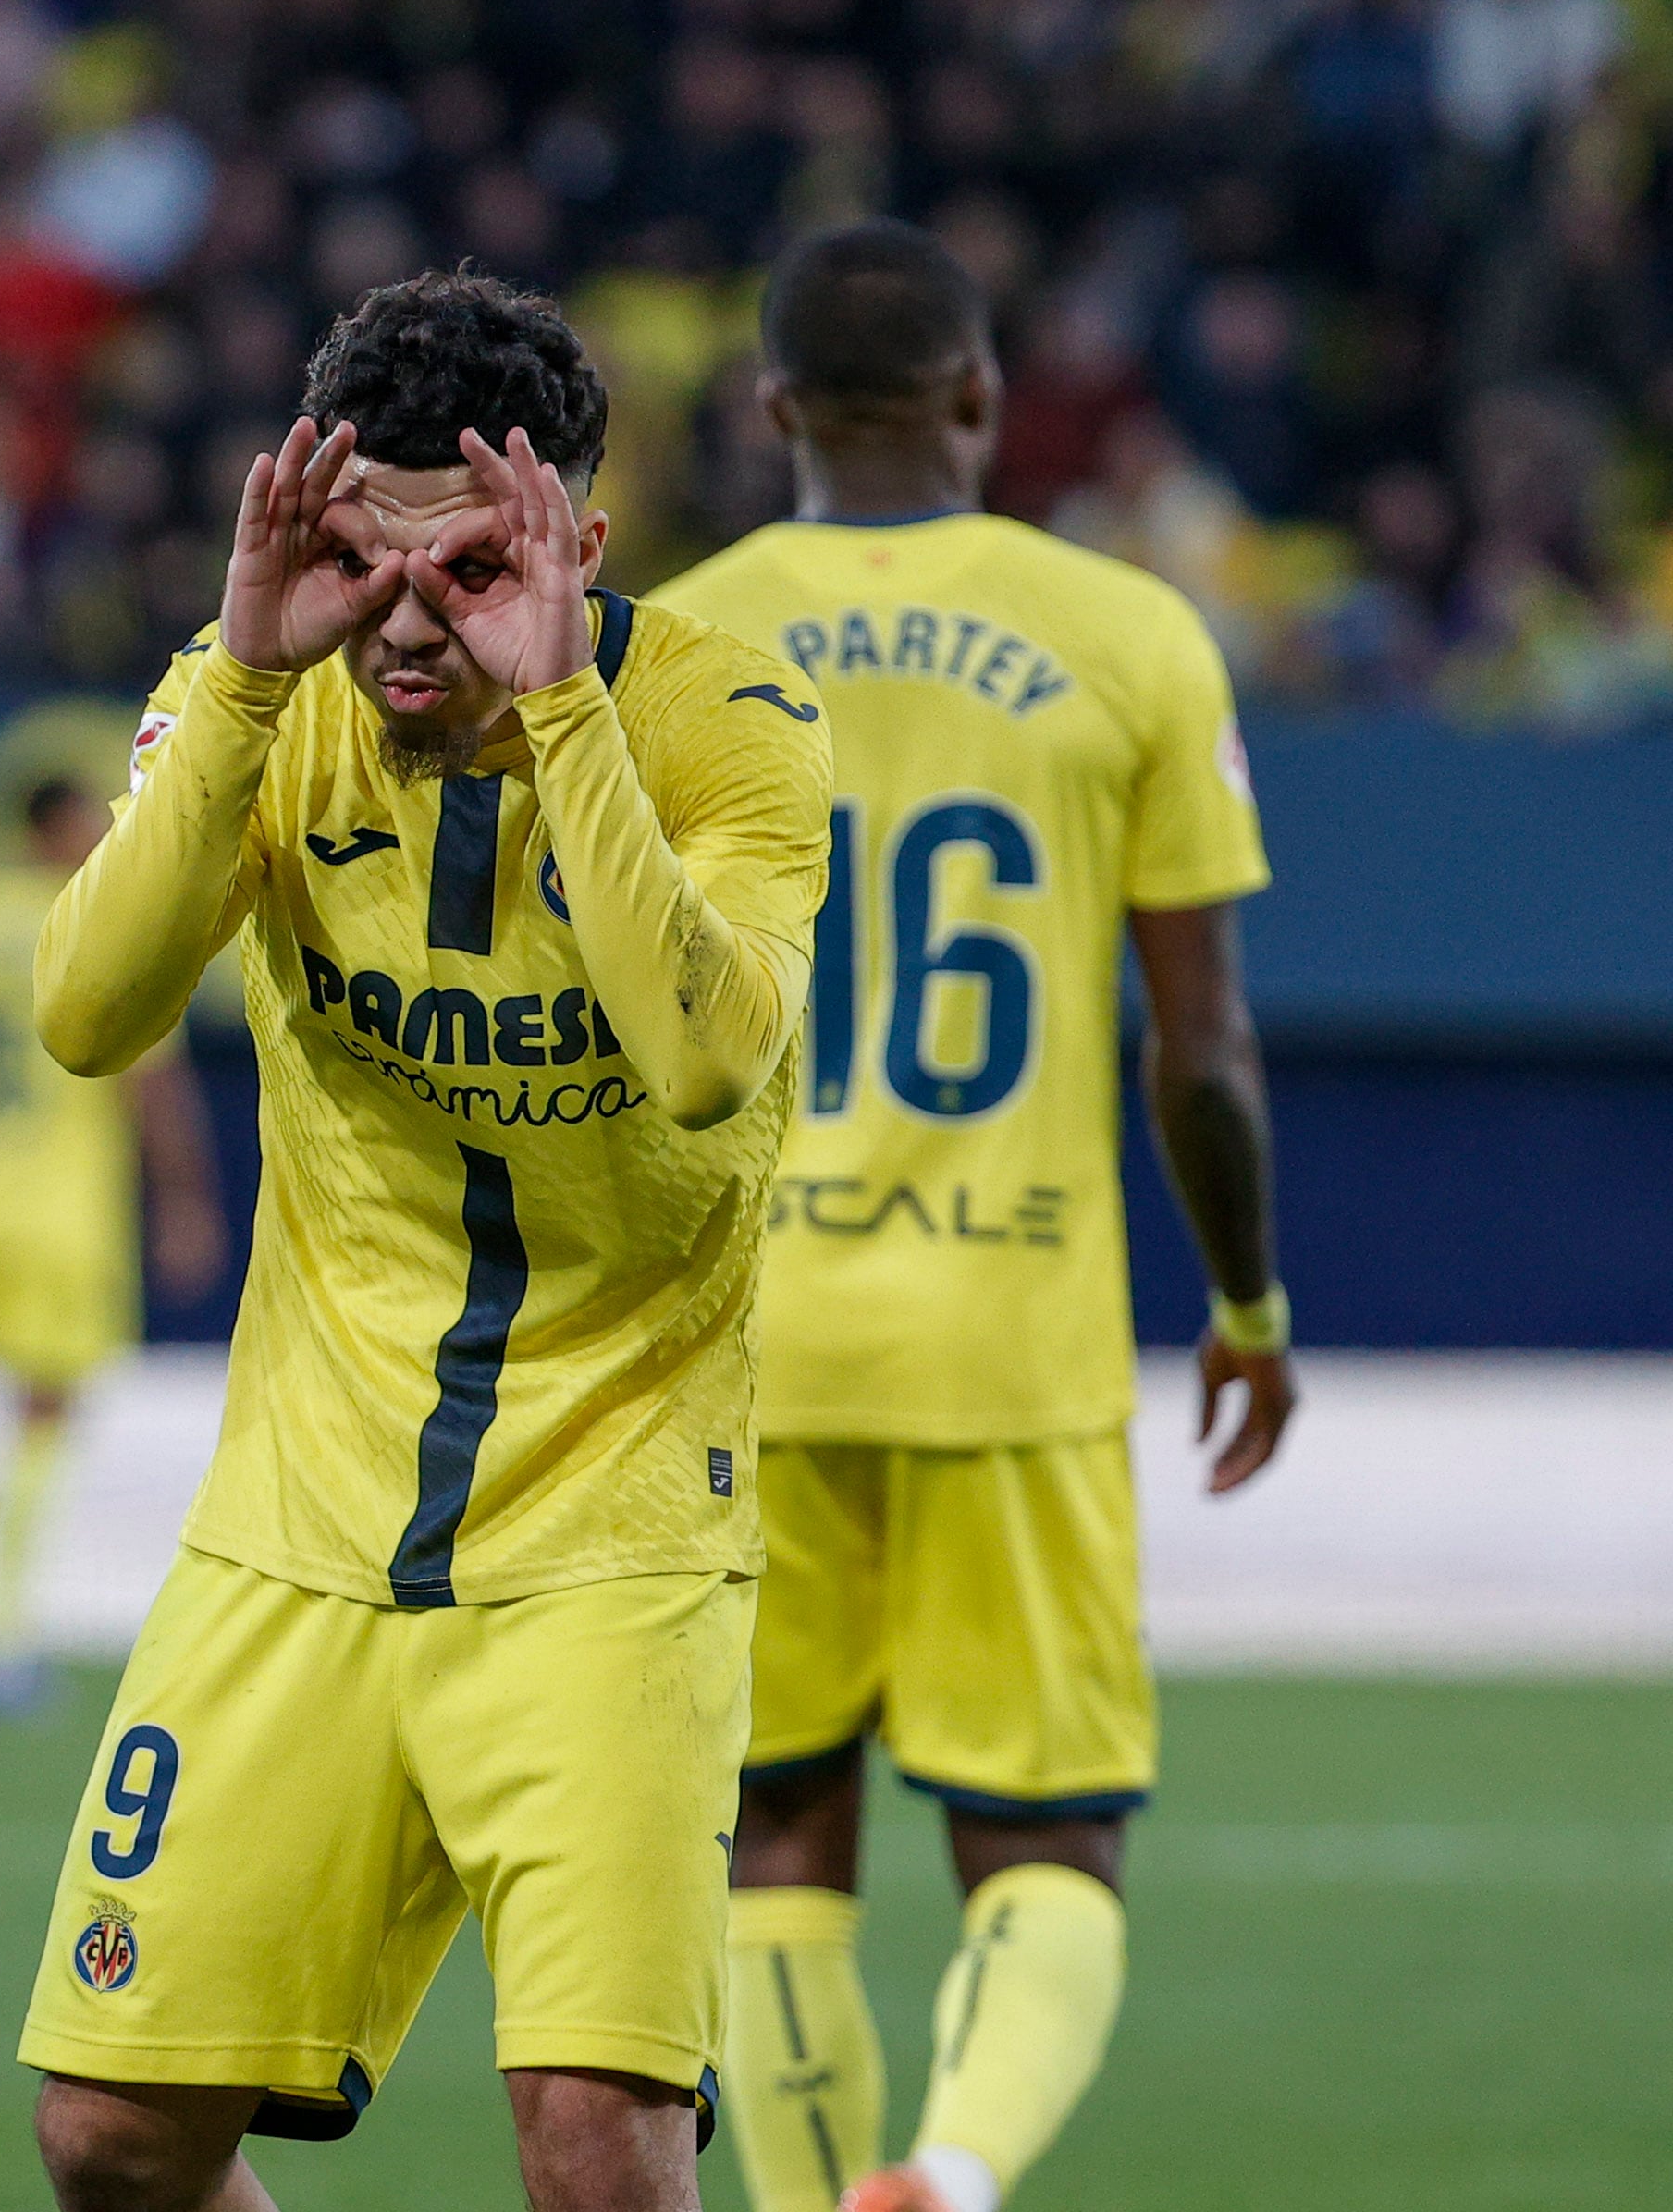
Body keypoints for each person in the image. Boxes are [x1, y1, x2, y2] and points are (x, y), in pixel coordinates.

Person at [16, 265, 834, 2212]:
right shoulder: (252, 701)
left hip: (611, 1531)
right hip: (300, 1523)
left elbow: (708, 1059)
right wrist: (235, 666)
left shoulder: (724, 715)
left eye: (465, 565)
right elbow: (82, 1015)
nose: (403, 617)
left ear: (573, 541)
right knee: (110, 2136)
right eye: (363, 560)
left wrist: (556, 706)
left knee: (594, 2137)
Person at [654, 219, 1297, 2212]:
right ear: (980, 399)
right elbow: (1197, 1051)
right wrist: (1248, 1302)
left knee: (773, 1837)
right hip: (1008, 1339)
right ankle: (948, 2164)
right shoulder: (1128, 635)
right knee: (1044, 1839)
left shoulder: (666, 638)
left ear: (771, 412)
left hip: (747, 1342)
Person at [0, 777, 229, 1712]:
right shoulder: (96, 917)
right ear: (49, 827)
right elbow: (147, 1082)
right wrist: (186, 1199)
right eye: (90, 820)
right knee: (46, 1413)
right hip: (60, 1208)